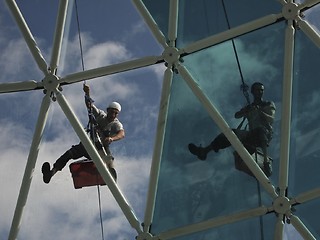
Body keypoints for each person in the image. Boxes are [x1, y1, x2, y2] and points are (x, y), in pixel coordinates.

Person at [41, 84, 125, 184]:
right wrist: (87, 93)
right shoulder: (100, 115)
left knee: (109, 161)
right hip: (88, 144)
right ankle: (51, 172)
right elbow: (89, 106)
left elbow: (121, 133)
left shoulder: (116, 123)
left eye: (116, 113)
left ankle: (111, 177)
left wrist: (111, 138)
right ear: (107, 110)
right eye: (112, 112)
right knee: (68, 154)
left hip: (100, 148)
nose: (113, 115)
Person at [188, 82, 276, 177]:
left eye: (261, 90)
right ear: (253, 92)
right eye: (257, 90)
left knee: (260, 129)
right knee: (230, 133)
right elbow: (237, 115)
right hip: (251, 136)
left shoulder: (267, 104)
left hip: (264, 135)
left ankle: (266, 162)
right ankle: (205, 151)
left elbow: (270, 118)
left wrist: (258, 111)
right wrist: (246, 110)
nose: (259, 92)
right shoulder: (250, 106)